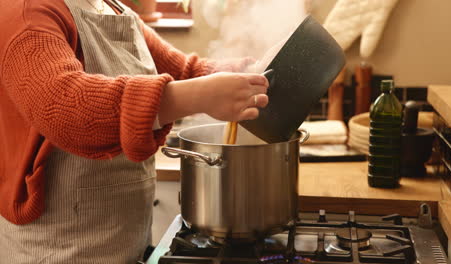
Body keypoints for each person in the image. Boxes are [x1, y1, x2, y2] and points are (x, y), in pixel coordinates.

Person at [0, 0, 269, 262]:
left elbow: (183, 71)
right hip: (57, 249)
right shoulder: (25, 12)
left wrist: (230, 73)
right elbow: (67, 110)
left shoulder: (111, 7)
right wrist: (199, 95)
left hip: (123, 240)